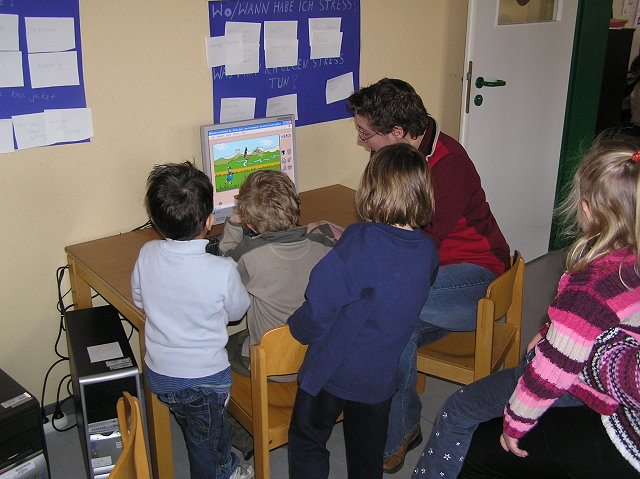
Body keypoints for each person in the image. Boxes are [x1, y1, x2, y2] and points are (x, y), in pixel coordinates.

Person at [412, 133, 640, 478]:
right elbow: (600, 325)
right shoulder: (630, 264)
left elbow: (552, 370)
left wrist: (517, 421)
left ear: (587, 209)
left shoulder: (590, 283)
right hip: (599, 385)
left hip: (578, 388)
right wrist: (550, 330)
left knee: (457, 409)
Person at [347, 77, 510, 472]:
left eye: (365, 134)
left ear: (398, 133)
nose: (361, 142)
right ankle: (402, 429)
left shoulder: (447, 165)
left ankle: (383, 420)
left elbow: (420, 250)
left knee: (386, 307)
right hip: (434, 268)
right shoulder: (395, 154)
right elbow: (390, 227)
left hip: (479, 277)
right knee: (394, 324)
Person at [286, 143, 440, 479]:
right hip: (380, 377)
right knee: (366, 454)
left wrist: (297, 328)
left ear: (371, 190)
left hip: (333, 370)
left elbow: (321, 300)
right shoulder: (428, 250)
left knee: (308, 438)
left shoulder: (359, 239)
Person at [130, 161, 254, 479]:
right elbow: (237, 312)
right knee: (206, 444)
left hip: (160, 374)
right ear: (211, 221)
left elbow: (140, 300)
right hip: (205, 381)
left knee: (198, 427)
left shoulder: (146, 253)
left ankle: (226, 464)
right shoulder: (221, 270)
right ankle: (222, 471)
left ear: (155, 221)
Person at [218, 169, 338, 377]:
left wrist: (234, 222)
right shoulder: (324, 245)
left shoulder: (250, 253)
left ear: (249, 224)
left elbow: (225, 261)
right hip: (314, 359)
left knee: (222, 348)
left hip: (268, 366)